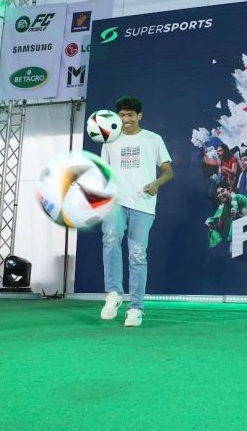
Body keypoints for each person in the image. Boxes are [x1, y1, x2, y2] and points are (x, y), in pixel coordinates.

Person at [99, 96, 173, 327]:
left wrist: (157, 183)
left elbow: (168, 171)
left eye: (130, 115)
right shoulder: (109, 141)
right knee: (110, 239)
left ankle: (136, 308)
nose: (126, 119)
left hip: (143, 204)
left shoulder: (153, 139)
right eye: (121, 115)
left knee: (137, 255)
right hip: (116, 203)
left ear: (139, 116)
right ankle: (113, 294)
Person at [205, 181, 247, 247]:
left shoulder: (241, 199)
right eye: (218, 194)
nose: (220, 195)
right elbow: (220, 226)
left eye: (222, 191)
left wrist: (238, 215)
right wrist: (211, 226)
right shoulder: (221, 207)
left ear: (229, 190)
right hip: (234, 239)